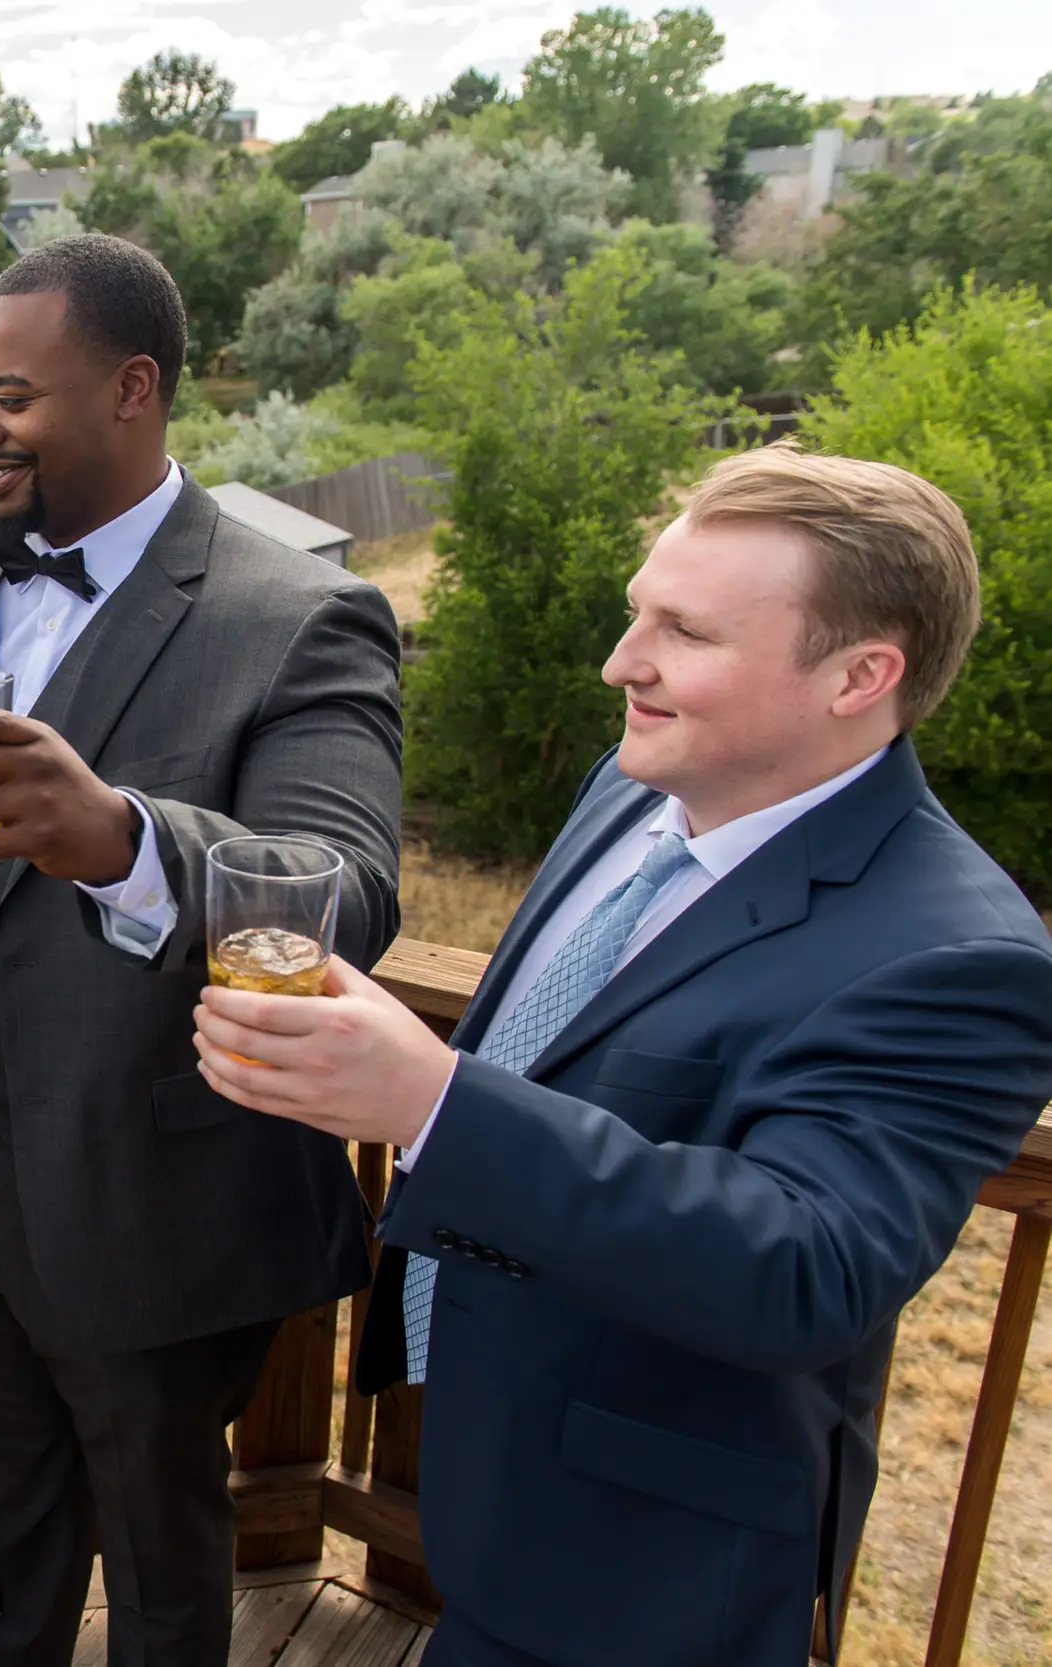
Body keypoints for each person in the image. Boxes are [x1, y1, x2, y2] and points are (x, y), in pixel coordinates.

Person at [193, 444, 1052, 1667]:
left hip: (649, 1565)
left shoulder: (958, 955)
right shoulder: (630, 785)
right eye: (635, 611)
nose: (621, 662)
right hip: (493, 1484)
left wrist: (433, 1103)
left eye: (685, 632)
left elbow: (802, 1267)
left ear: (861, 675)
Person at [0, 234, 405, 1666]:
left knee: (157, 1543)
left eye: (13, 394)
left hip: (159, 1191)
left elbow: (347, 887)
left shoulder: (301, 615)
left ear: (133, 388)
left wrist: (127, 838)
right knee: (19, 1510)